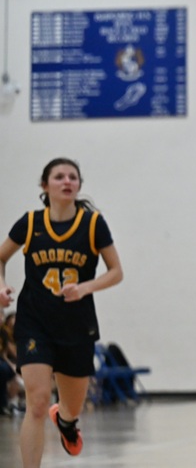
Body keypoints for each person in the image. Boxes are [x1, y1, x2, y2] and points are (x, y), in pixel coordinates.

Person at [0, 157, 124, 468]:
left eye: (72, 177)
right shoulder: (29, 223)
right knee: (38, 402)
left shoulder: (93, 224)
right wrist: (0, 286)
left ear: (79, 185)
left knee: (70, 407)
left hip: (77, 324)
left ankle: (66, 422)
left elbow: (116, 271)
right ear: (45, 186)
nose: (67, 181)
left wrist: (85, 288)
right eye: (59, 177)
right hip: (34, 322)